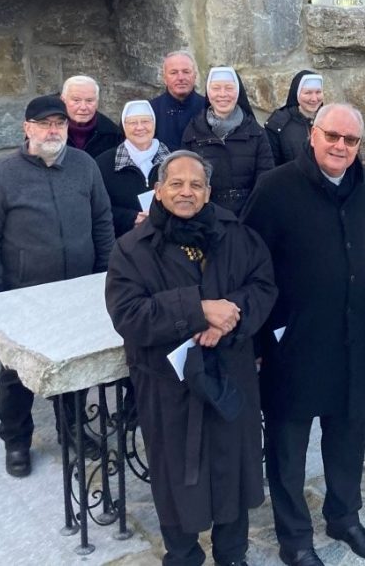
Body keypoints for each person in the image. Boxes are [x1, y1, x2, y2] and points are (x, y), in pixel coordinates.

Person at [106, 150, 277, 566]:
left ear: (208, 192)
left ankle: (232, 554)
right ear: (158, 190)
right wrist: (198, 310)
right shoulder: (131, 249)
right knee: (176, 476)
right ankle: (183, 556)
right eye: (177, 183)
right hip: (170, 385)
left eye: (196, 185)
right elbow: (129, 314)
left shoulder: (237, 235)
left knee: (233, 469)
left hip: (230, 371)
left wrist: (228, 317)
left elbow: (263, 285)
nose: (186, 192)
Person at [243, 104, 365, 566]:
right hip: (293, 341)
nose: (341, 146)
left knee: (348, 433)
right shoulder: (275, 188)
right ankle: (294, 538)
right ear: (313, 134)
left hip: (354, 336)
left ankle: (344, 516)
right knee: (288, 445)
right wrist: (256, 341)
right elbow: (249, 264)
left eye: (351, 140)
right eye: (333, 136)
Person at [0, 95, 114, 478]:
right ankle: (16, 441)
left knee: (72, 364)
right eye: (44, 124)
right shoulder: (4, 175)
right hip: (24, 293)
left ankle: (72, 429)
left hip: (77, 289)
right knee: (15, 372)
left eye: (59, 123)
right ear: (27, 128)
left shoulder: (84, 166)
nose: (53, 131)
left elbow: (102, 219)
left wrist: (105, 272)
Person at [182, 67, 274, 216]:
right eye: (216, 88)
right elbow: (187, 181)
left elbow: (265, 181)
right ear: (208, 92)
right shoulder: (193, 132)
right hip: (206, 218)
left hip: (249, 217)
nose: (222, 94)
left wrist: (249, 215)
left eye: (229, 88)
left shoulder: (256, 133)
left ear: (238, 92)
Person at [96, 100, 171, 238]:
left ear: (154, 124)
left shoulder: (174, 160)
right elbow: (97, 207)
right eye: (132, 123)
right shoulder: (104, 163)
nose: (140, 127)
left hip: (168, 238)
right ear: (124, 127)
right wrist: (131, 218)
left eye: (145, 121)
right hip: (124, 242)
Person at [265, 71, 323, 166]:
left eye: (318, 92)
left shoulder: (330, 120)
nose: (314, 98)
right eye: (308, 93)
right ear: (296, 93)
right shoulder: (278, 124)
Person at [151, 51, 205, 151]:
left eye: (186, 72)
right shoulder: (151, 111)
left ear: (195, 76)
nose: (181, 78)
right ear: (165, 78)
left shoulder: (208, 108)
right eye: (174, 73)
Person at [61, 74, 124, 158]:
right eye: (76, 100)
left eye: (89, 101)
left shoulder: (113, 134)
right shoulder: (51, 130)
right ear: (63, 100)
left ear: (97, 103)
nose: (83, 107)